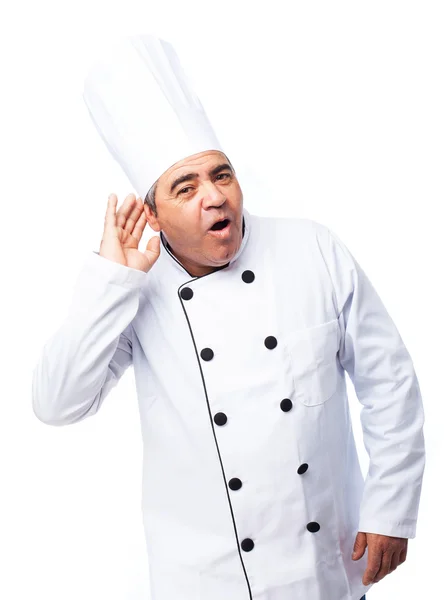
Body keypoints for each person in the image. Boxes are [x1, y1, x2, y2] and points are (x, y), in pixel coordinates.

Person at [31, 34, 425, 600]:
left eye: (221, 175)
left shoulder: (312, 250)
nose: (214, 197)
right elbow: (57, 404)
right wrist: (110, 281)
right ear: (155, 216)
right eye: (185, 188)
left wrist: (392, 507)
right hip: (202, 581)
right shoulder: (133, 291)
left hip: (325, 568)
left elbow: (390, 384)